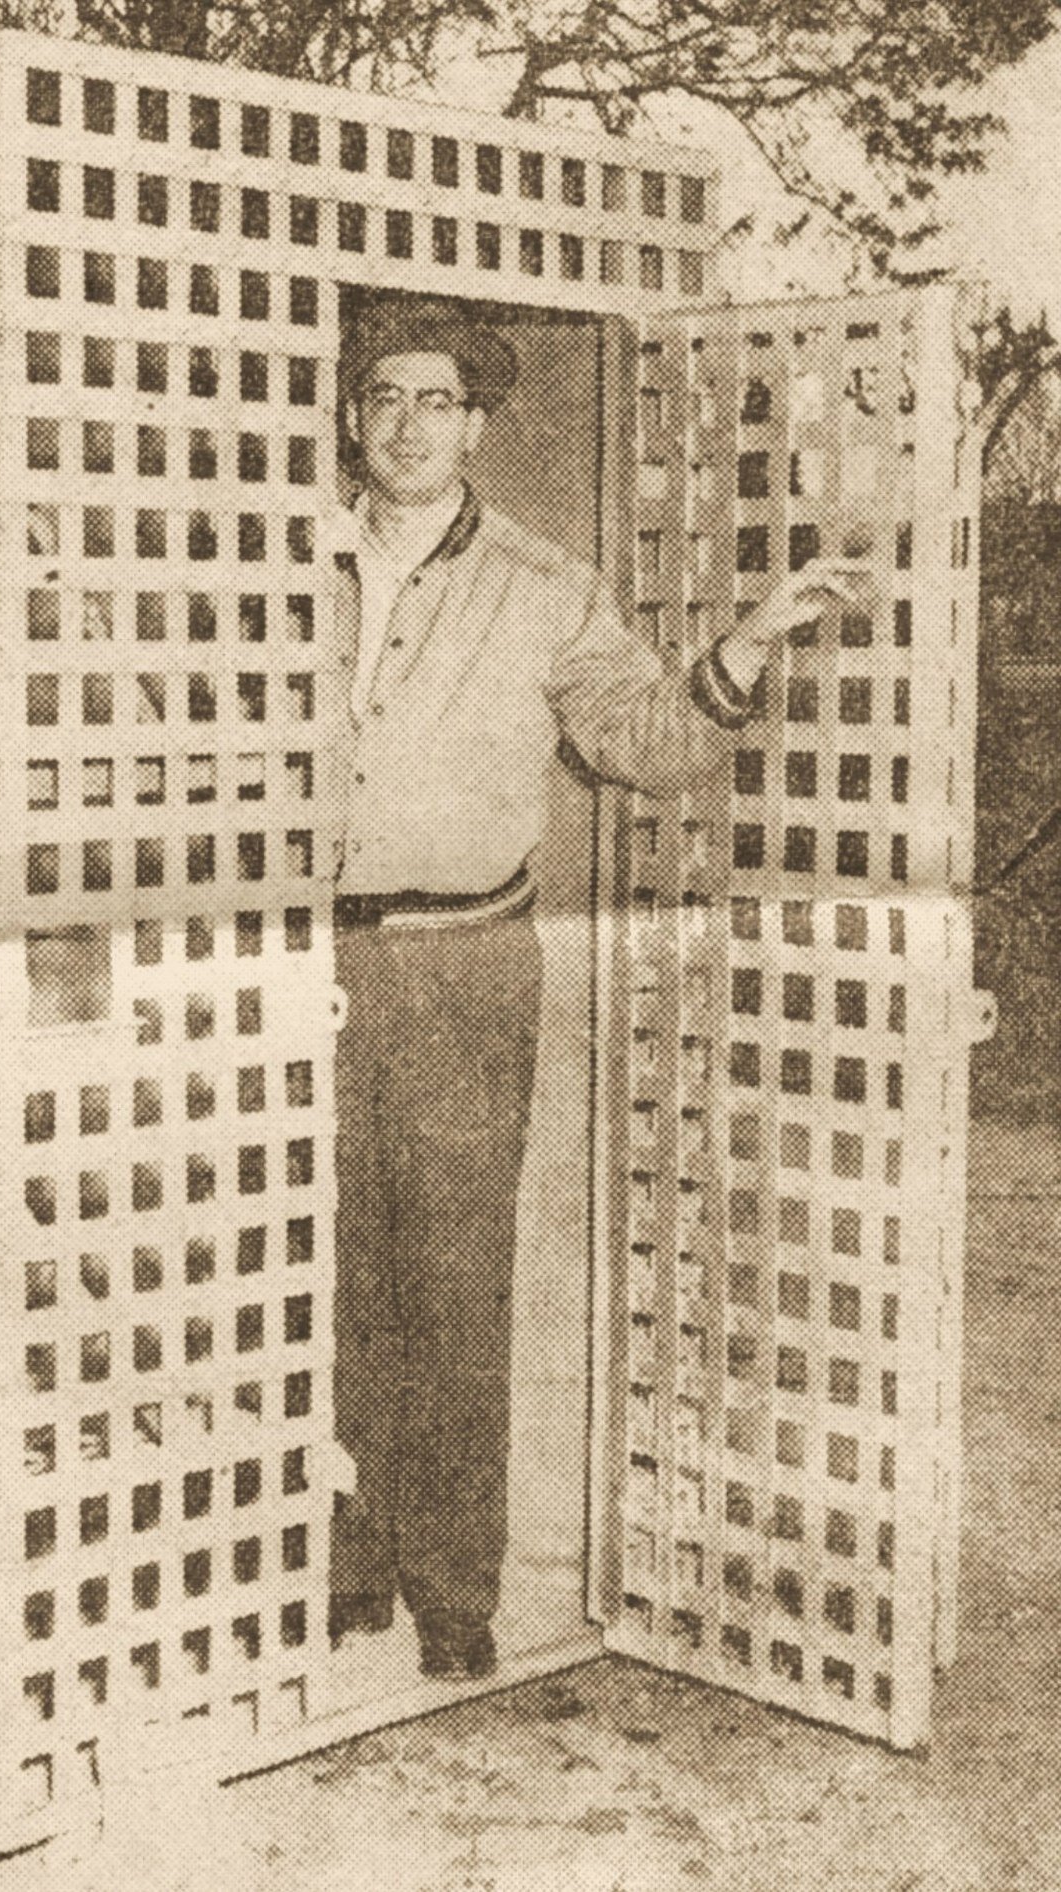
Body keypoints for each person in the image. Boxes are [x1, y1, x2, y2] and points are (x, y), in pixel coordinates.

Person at [323, 300, 868, 1680]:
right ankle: (343, 1555)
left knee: (449, 1273)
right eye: (385, 395)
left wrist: (747, 641)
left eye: (438, 401)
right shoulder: (283, 560)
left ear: (478, 423)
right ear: (349, 414)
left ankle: (452, 1586)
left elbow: (647, 741)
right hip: (305, 955)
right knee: (314, 1259)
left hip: (463, 960)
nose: (407, 424)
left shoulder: (543, 581)